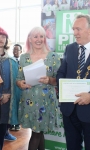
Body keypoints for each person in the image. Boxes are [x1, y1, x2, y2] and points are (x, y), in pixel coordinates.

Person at [16, 26, 60, 150]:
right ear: (30, 39)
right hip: (29, 101)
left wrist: (49, 80)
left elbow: (59, 79)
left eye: (41, 36)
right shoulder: (24, 57)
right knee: (38, 132)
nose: (39, 39)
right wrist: (21, 84)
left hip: (47, 102)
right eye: (35, 36)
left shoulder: (53, 57)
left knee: (37, 133)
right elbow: (18, 79)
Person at [56, 14, 90, 150]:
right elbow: (61, 73)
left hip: (88, 111)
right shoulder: (69, 48)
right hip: (69, 110)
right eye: (73, 29)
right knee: (72, 145)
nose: (75, 33)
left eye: (78, 29)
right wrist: (64, 88)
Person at [0, 25, 20, 150]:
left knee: (1, 132)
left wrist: (9, 95)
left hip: (7, 102)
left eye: (3, 37)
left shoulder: (11, 60)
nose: (0, 39)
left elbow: (15, 81)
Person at [9, 44, 22, 131]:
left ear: (21, 51)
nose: (15, 52)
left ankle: (17, 123)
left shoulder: (23, 61)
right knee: (12, 105)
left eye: (17, 50)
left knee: (19, 105)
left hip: (21, 87)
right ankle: (11, 123)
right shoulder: (10, 61)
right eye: (14, 50)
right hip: (12, 86)